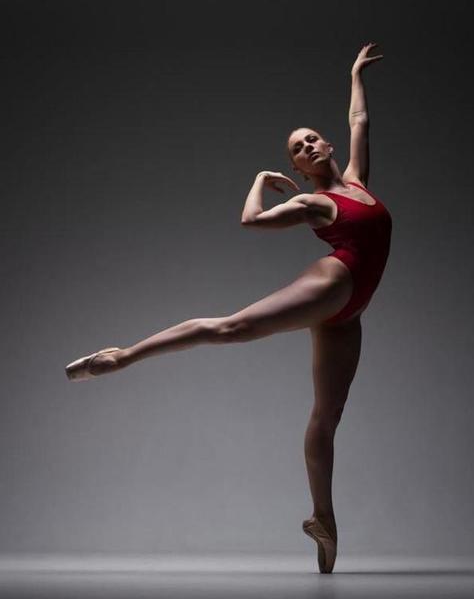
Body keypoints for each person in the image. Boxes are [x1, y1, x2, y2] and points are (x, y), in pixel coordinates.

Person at [65, 42, 389, 574]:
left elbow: (360, 120)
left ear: (327, 144)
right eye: (298, 148)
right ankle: (122, 356)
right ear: (297, 166)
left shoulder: (356, 180)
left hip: (349, 313)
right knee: (232, 328)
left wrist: (356, 75)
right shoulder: (313, 203)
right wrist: (260, 180)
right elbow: (251, 221)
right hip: (335, 282)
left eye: (312, 138)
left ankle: (323, 519)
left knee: (327, 417)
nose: (308, 145)